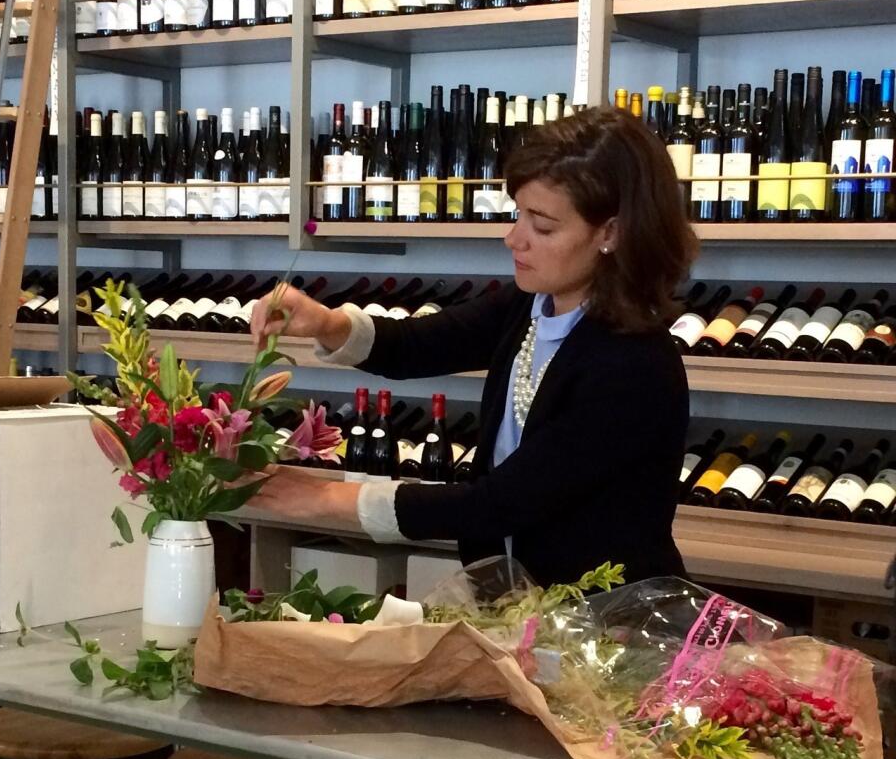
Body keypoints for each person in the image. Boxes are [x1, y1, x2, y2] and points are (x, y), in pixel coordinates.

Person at [246, 107, 699, 586]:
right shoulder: (530, 307)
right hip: (518, 606)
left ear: (611, 232)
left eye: (542, 226)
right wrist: (325, 322)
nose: (513, 239)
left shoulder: (633, 364)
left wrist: (325, 498)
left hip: (604, 623)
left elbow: (502, 503)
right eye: (518, 215)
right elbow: (415, 346)